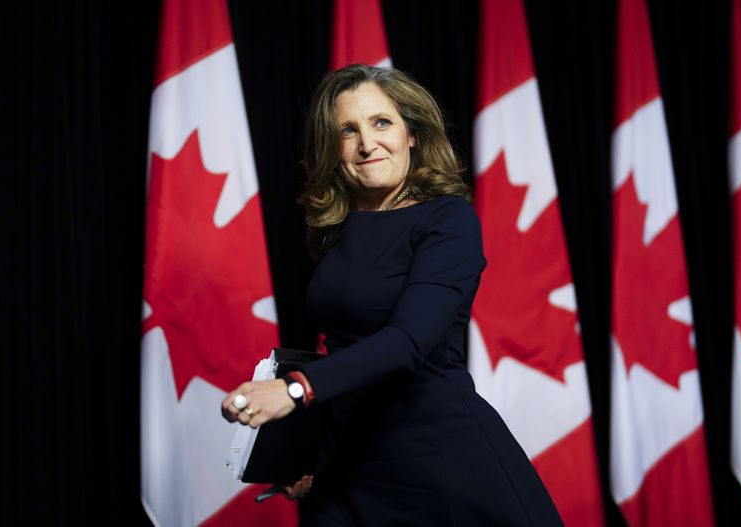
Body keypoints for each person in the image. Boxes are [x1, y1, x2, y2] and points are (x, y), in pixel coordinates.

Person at [222, 64, 563, 526]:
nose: (366, 143)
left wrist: (295, 390)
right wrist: (307, 452)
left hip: (438, 461)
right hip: (347, 467)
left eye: (381, 122)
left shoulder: (447, 221)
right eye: (348, 130)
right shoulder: (336, 229)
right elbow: (343, 347)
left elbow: (407, 341)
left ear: (413, 134)